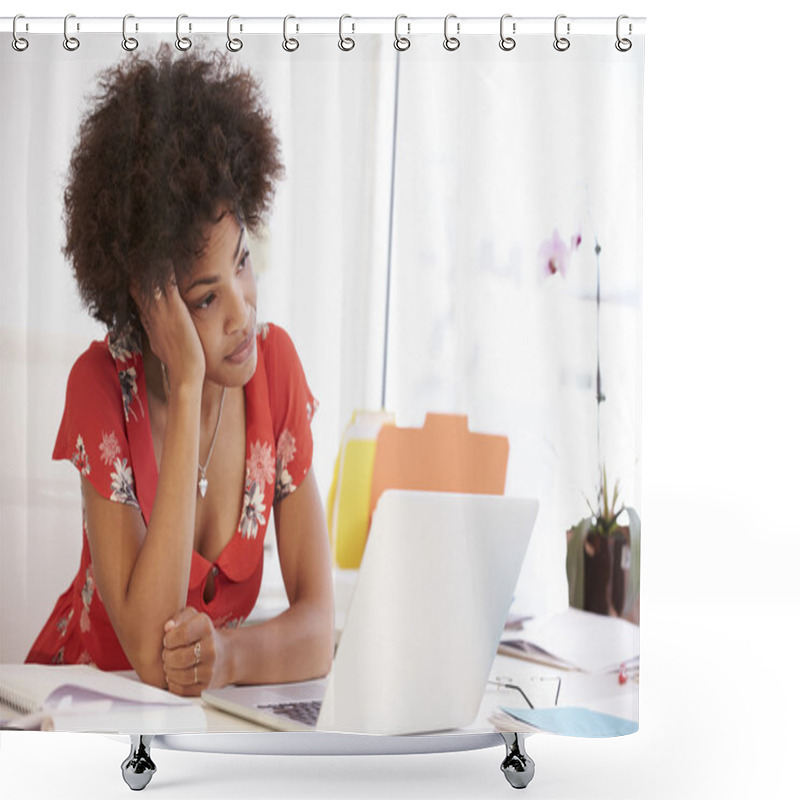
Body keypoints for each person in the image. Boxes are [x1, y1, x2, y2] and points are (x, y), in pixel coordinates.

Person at [25, 46, 335, 696]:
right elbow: (146, 649)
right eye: (204, 298)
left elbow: (317, 628)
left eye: (243, 264)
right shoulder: (101, 387)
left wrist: (227, 657)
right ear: (148, 300)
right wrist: (188, 380)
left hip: (195, 727)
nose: (242, 313)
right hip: (78, 712)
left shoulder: (275, 369)